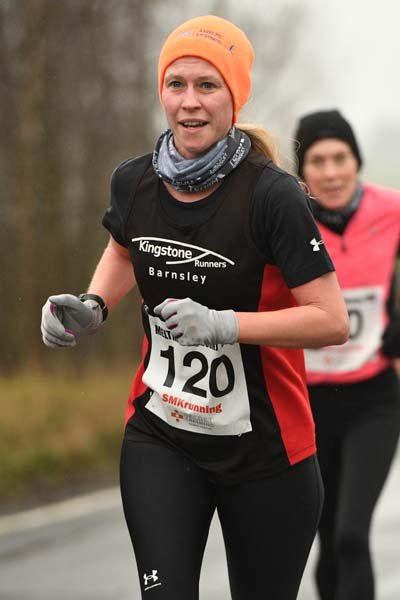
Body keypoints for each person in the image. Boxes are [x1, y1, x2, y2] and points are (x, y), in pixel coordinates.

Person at [41, 16, 349, 600]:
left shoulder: (273, 196)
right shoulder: (133, 182)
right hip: (162, 435)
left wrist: (223, 326)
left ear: (235, 95)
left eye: (207, 85)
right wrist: (93, 304)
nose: (189, 102)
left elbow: (331, 320)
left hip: (266, 452)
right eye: (175, 84)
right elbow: (124, 248)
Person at [293, 109, 400, 600]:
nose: (331, 172)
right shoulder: (286, 218)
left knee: (351, 535)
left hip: (373, 400)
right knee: (328, 541)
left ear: (357, 161)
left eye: (341, 158)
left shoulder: (390, 209)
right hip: (306, 403)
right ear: (302, 171)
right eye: (318, 161)